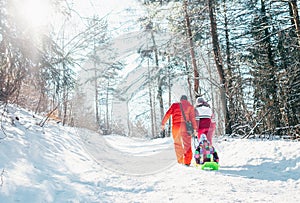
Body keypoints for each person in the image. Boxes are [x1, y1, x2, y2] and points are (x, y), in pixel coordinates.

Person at [161, 95, 197, 166]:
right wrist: (195, 129)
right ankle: (187, 162)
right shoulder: (190, 106)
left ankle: (180, 161)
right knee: (187, 144)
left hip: (176, 127)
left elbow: (168, 114)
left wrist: (163, 123)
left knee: (178, 144)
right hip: (185, 127)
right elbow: (193, 119)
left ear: (180, 100)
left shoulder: (174, 105)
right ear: (186, 100)